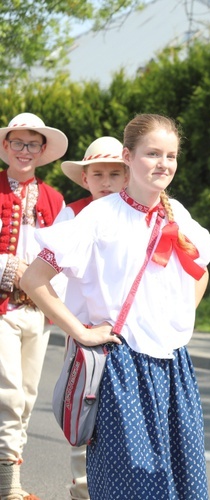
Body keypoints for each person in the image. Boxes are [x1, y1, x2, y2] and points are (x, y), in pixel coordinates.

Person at [20, 114, 210, 499]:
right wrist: (82, 332)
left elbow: (200, 272)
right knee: (130, 484)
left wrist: (176, 321)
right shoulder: (100, 216)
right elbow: (33, 280)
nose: (163, 163)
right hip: (121, 369)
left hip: (174, 368)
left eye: (171, 155)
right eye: (152, 153)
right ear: (128, 156)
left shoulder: (178, 216)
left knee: (181, 484)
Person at [55, 136, 129, 500]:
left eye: (115, 173)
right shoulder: (74, 213)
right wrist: (74, 328)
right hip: (84, 332)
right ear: (84, 179)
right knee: (84, 415)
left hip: (128, 336)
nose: (106, 181)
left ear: (129, 176)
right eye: (97, 173)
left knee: (123, 425)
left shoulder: (140, 212)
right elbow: (49, 276)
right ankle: (82, 491)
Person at [0, 112, 67, 500]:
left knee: (26, 394)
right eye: (18, 143)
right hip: (3, 306)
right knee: (7, 392)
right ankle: (9, 485)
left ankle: (10, 470)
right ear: (7, 146)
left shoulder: (54, 199)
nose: (25, 151)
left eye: (33, 144)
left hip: (36, 309)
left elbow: (63, 258)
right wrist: (11, 267)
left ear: (43, 151)